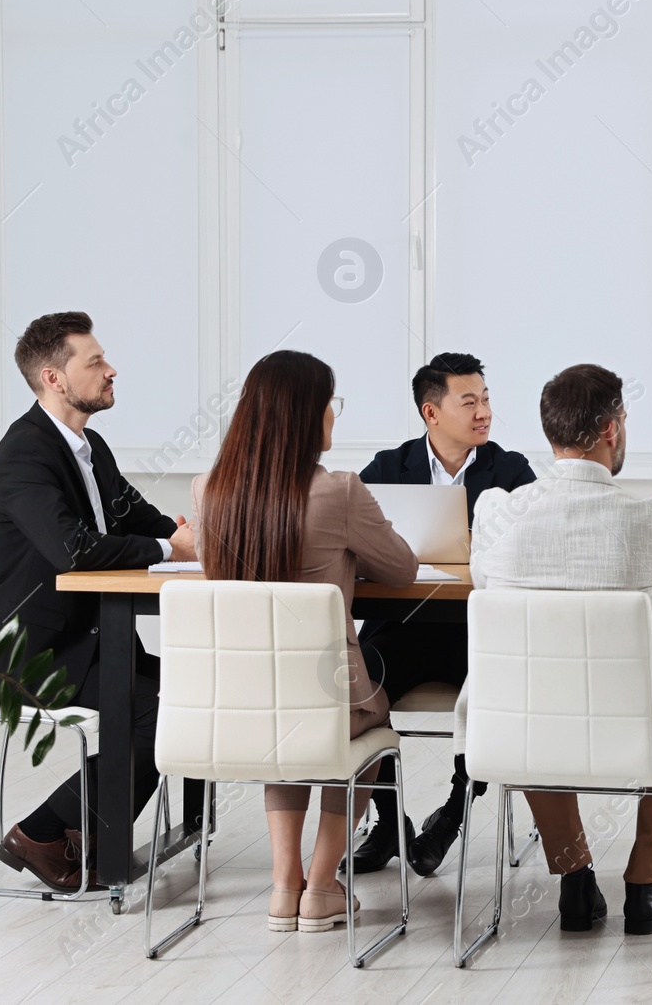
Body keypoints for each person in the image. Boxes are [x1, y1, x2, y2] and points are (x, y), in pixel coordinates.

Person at [459, 363, 652, 935]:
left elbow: (483, 580)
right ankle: (646, 888)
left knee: (539, 727)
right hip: (632, 727)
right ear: (613, 430)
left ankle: (576, 882)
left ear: (551, 434)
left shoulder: (496, 510)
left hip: (516, 726)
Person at [191, 350, 418, 932]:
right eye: (330, 406)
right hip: (332, 695)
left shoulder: (208, 492)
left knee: (284, 731)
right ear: (307, 416)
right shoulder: (339, 491)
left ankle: (282, 885)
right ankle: (322, 884)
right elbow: (402, 570)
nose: (333, 419)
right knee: (373, 722)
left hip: (243, 700)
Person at [0, 312, 197, 893]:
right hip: (30, 652)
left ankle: (92, 836)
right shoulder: (24, 455)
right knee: (159, 710)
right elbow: (73, 551)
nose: (111, 370)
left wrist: (188, 537)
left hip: (89, 641)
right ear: (53, 377)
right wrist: (164, 545)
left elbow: (137, 516)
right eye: (95, 362)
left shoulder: (90, 446)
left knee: (193, 693)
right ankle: (45, 833)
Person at [350, 353, 536, 877]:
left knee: (493, 695)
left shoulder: (512, 470)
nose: (484, 412)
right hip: (400, 629)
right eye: (469, 401)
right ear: (432, 413)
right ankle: (389, 820)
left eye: (486, 399)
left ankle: (451, 817)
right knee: (355, 682)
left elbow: (531, 548)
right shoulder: (388, 469)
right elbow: (356, 545)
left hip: (475, 633)